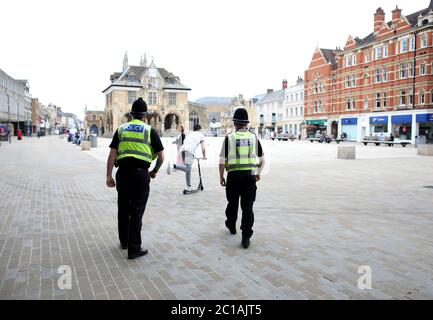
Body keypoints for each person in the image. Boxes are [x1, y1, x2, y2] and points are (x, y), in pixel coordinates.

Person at [106, 98, 165, 260]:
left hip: (123, 173)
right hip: (140, 175)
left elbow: (112, 153)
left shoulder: (121, 129)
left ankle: (124, 242)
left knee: (123, 209)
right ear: (144, 116)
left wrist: (108, 175)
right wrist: (154, 171)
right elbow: (161, 157)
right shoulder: (149, 130)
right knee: (137, 211)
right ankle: (134, 249)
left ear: (131, 115)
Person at [219, 108, 265, 249]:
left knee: (232, 202)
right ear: (246, 124)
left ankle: (231, 225)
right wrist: (258, 172)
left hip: (233, 176)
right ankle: (246, 237)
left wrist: (221, 177)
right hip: (250, 176)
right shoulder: (253, 138)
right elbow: (263, 160)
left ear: (234, 123)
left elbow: (221, 161)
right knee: (247, 206)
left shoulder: (229, 138)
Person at [167, 124, 206, 192]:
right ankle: (173, 166)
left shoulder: (189, 134)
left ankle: (188, 187)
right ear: (200, 129)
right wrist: (204, 156)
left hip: (182, 150)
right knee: (188, 168)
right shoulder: (201, 135)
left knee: (188, 169)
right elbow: (203, 148)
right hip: (189, 151)